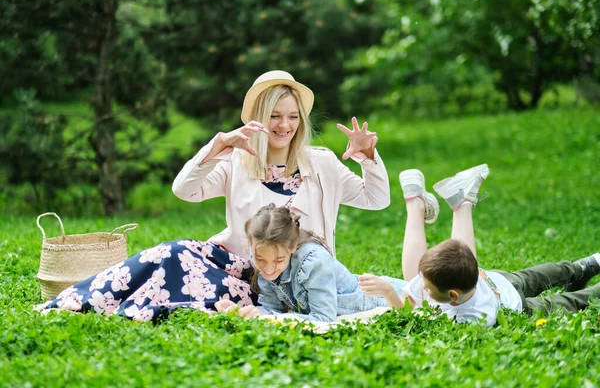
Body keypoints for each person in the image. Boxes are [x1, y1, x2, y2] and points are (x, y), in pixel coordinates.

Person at [38, 70, 390, 321]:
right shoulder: (238, 161)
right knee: (170, 253)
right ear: (259, 119)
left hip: (286, 279)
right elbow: (184, 190)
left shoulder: (323, 163)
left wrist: (367, 158)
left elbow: (376, 199)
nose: (284, 126)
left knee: (180, 281)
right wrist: (215, 147)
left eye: (293, 117)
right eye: (275, 116)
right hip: (235, 268)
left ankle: (113, 304)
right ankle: (78, 300)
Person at [359, 164, 600, 327]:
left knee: (558, 286)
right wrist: (392, 292)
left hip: (508, 293)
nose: (421, 287)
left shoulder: (466, 315)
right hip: (510, 292)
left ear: (452, 295)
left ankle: (583, 268)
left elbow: (411, 320)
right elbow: (412, 306)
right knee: (555, 286)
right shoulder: (458, 299)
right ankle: (586, 277)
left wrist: (390, 293)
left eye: (427, 287)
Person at [214, 204, 407, 322]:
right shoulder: (259, 262)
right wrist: (246, 313)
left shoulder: (314, 263)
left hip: (388, 299)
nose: (268, 269)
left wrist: (270, 318)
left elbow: (323, 318)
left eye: (279, 260)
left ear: (292, 248)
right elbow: (273, 309)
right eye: (260, 259)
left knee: (430, 297)